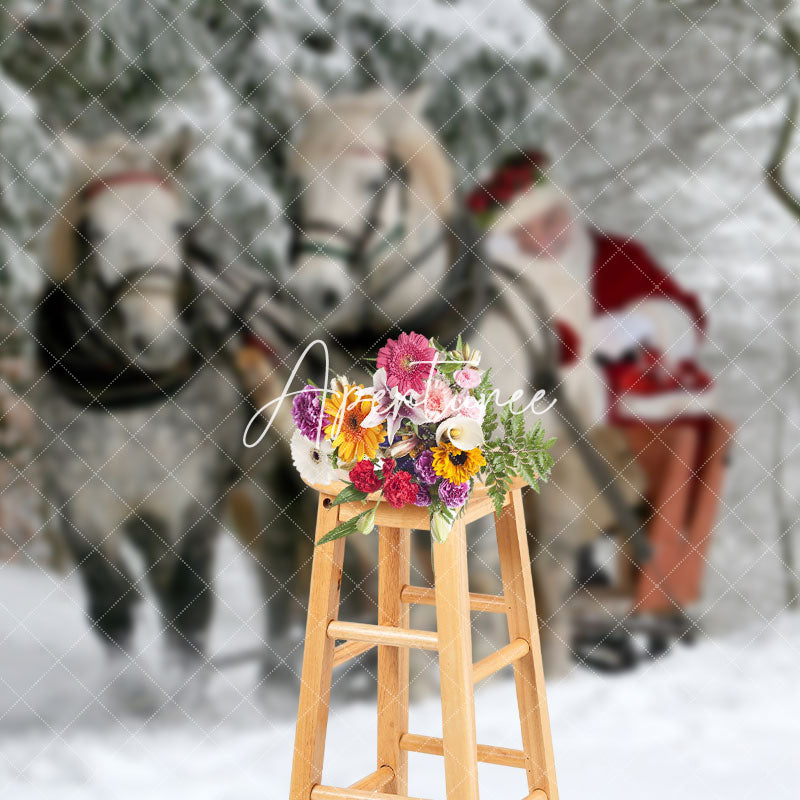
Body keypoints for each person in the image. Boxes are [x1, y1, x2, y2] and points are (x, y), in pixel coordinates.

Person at [468, 151, 735, 663]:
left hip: (619, 427)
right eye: (526, 232)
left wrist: (643, 323)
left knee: (671, 454)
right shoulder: (489, 286)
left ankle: (635, 597)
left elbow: (687, 317)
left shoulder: (613, 257)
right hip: (520, 432)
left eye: (551, 220)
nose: (544, 238)